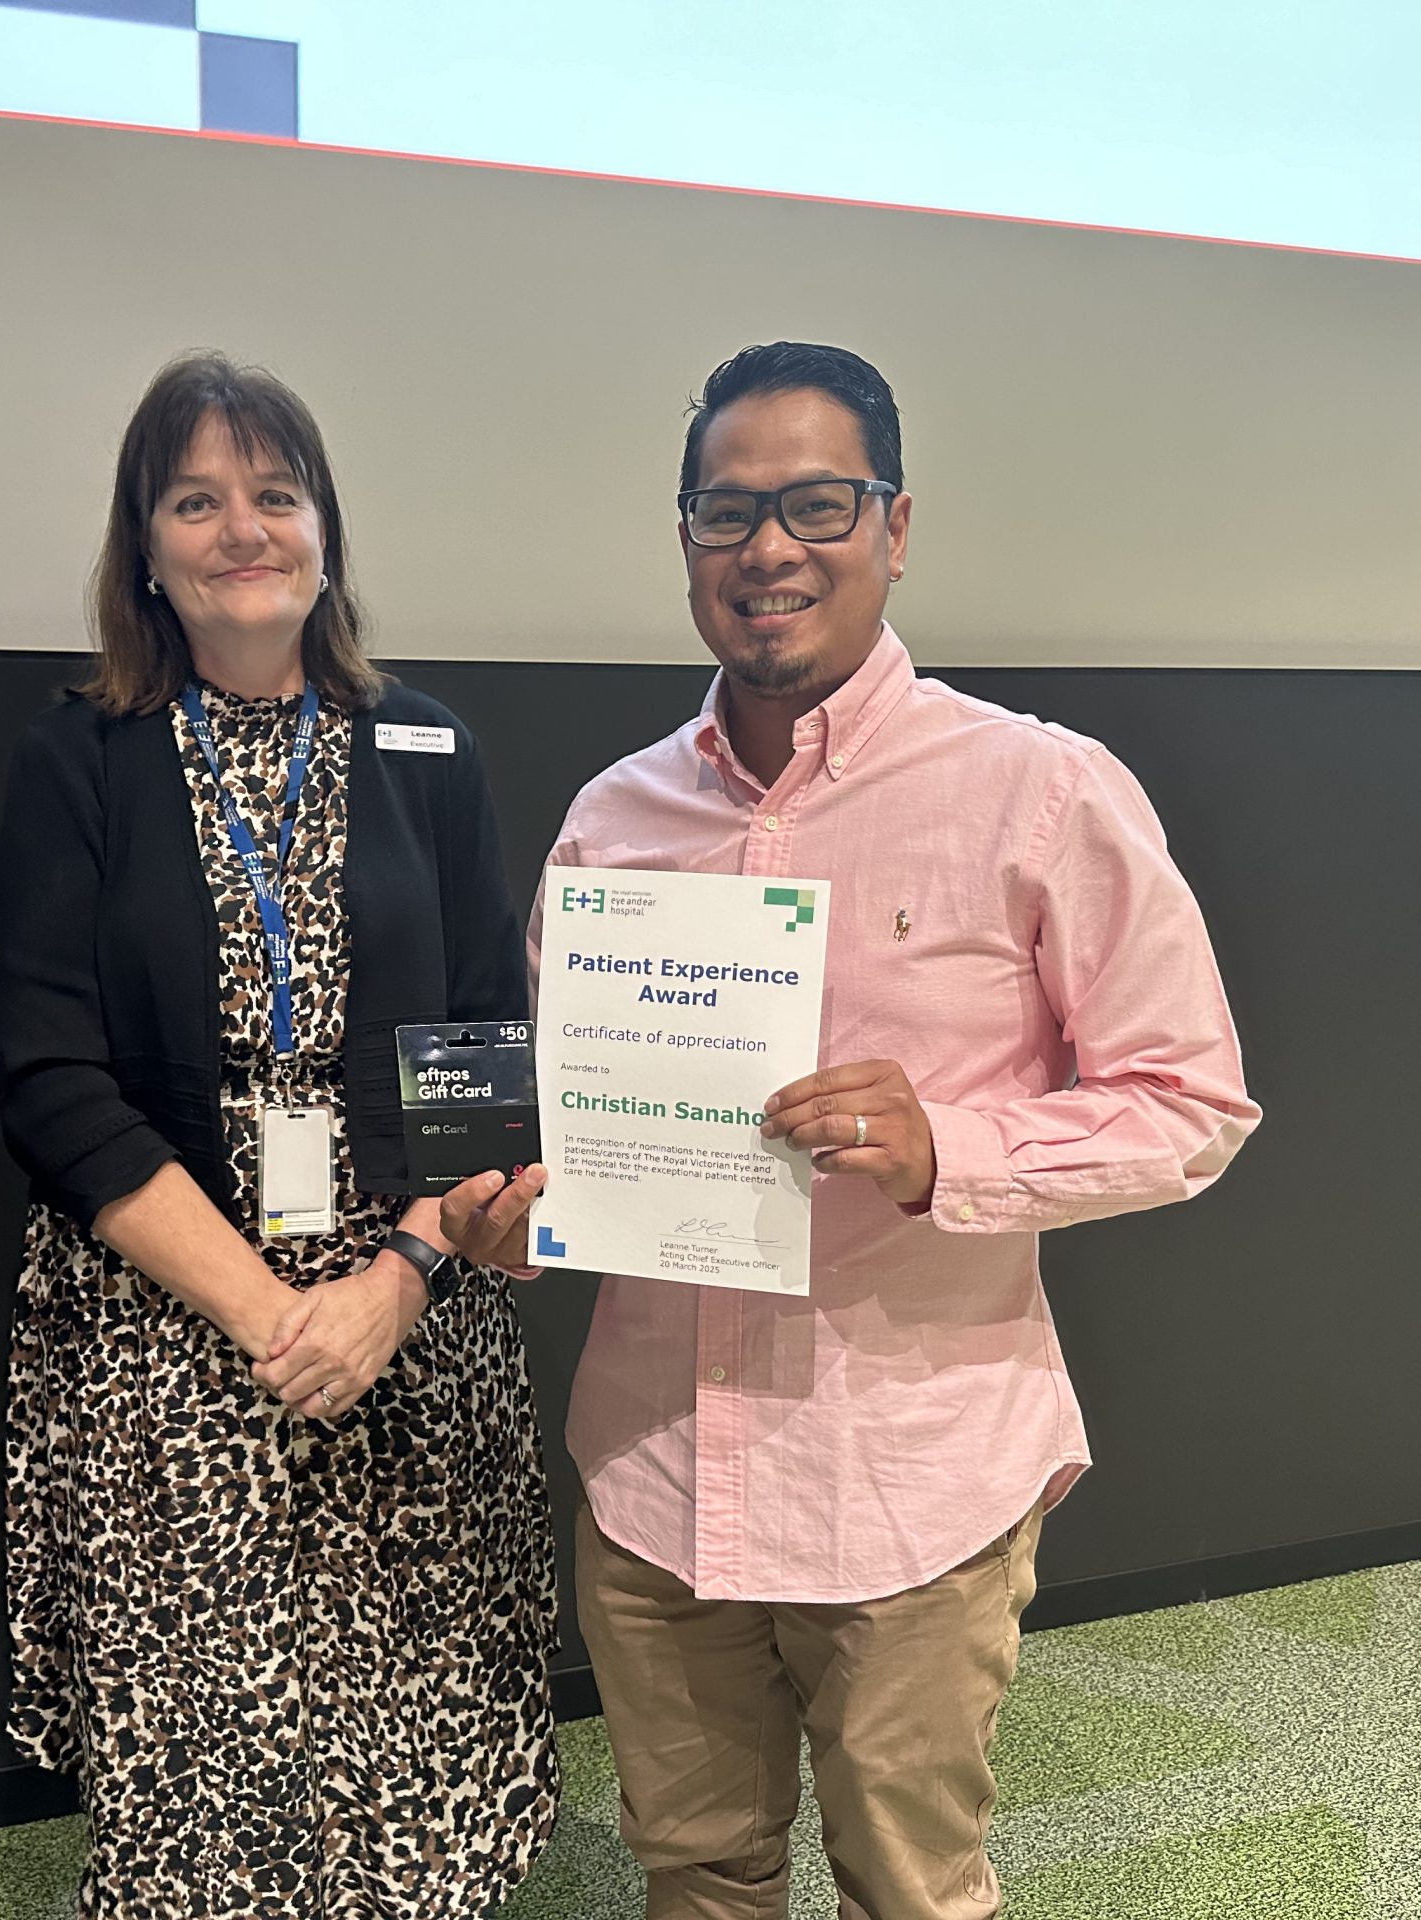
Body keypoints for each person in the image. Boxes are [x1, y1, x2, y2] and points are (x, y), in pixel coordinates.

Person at [448, 341, 1260, 1920]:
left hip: (910, 1488)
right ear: (683, 538)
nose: (769, 550)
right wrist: (520, 1220)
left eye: (818, 505)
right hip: (655, 1470)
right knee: (696, 1876)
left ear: (896, 526)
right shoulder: (615, 822)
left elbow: (1191, 1101)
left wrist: (953, 1151)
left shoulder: (1040, 791)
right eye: (726, 512)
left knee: (911, 1886)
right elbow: (576, 1133)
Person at [0, 351, 558, 1919]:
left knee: (418, 1762)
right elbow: (50, 1081)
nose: (242, 529)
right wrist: (268, 1313)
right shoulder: (78, 757)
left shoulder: (424, 747)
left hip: (404, 1315)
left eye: (275, 493)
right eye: (197, 500)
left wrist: (394, 1282)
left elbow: (476, 1061)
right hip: (176, 1335)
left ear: (324, 530)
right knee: (207, 1794)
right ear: (148, 549)